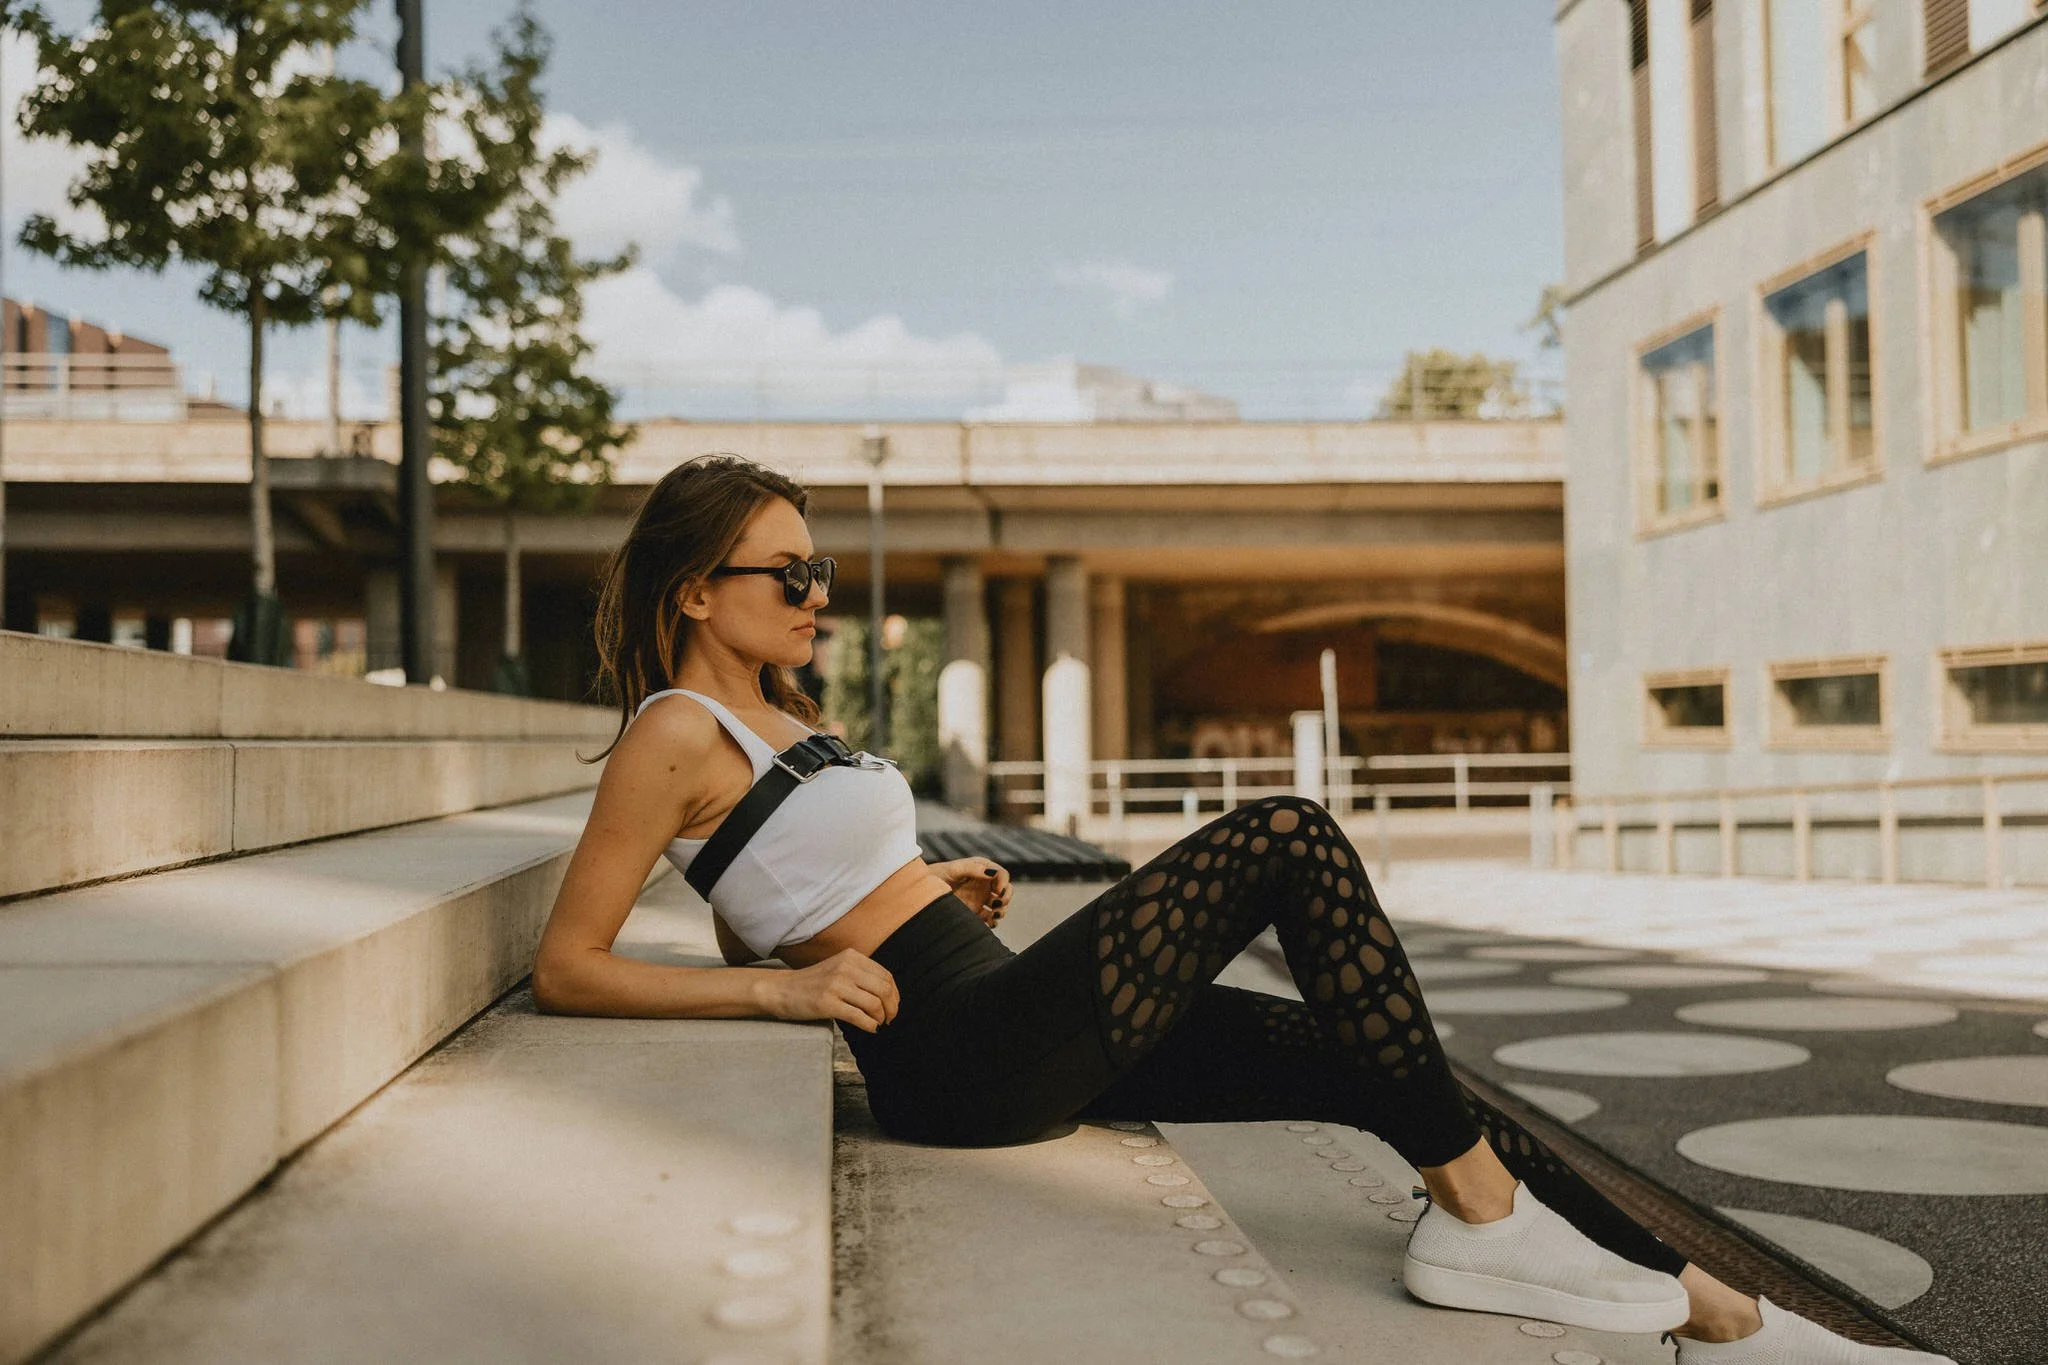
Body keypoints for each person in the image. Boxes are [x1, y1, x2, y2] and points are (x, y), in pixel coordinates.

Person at [533, 454, 1950, 1365]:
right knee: (1284, 836)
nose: (818, 595)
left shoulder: (774, 714)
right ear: (694, 589)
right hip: (965, 1059)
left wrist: (905, 893)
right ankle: (1483, 1225)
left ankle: (1742, 1324)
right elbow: (570, 967)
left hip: (988, 991)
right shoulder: (669, 731)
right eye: (791, 573)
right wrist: (786, 988)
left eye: (820, 569)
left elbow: (759, 891)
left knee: (1383, 1065)